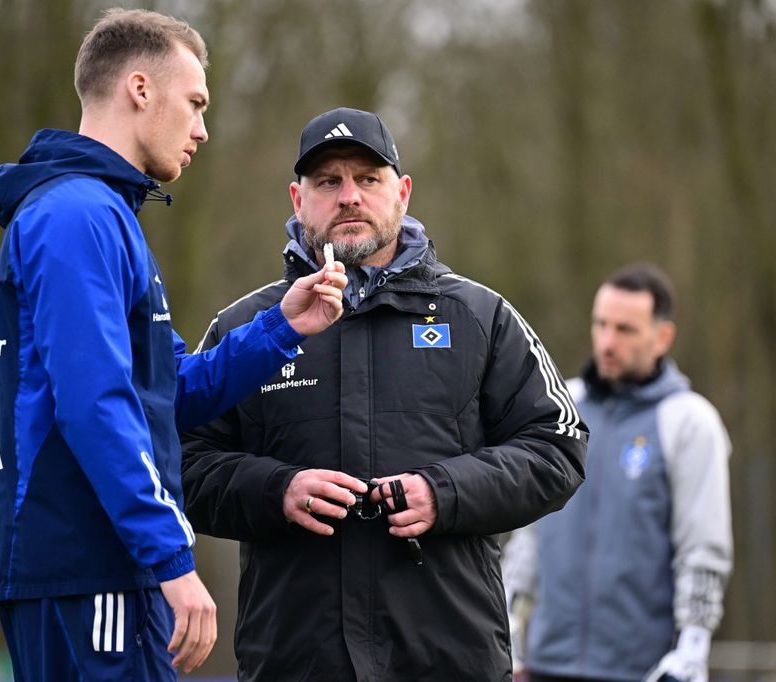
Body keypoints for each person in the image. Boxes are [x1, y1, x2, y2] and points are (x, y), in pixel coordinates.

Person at [0, 9, 346, 681]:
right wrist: (171, 558)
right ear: (141, 89)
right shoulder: (77, 217)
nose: (203, 129)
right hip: (87, 565)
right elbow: (96, 405)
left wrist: (282, 328)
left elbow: (167, 391)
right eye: (196, 102)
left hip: (102, 570)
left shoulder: (104, 215)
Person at [180, 106, 588, 681]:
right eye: (329, 182)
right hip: (294, 661)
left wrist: (442, 492)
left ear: (402, 192)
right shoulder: (248, 328)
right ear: (298, 201)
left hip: (450, 659)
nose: (349, 196)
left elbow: (559, 445)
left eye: (367, 179)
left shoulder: (479, 316)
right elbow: (179, 459)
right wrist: (279, 490)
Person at [502, 263, 733, 682]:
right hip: (545, 666)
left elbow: (702, 551)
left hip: (641, 671)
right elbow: (529, 538)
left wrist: (692, 650)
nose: (607, 342)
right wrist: (507, 632)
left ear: (662, 337)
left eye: (625, 330)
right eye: (601, 325)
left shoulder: (690, 423)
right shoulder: (560, 407)